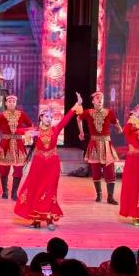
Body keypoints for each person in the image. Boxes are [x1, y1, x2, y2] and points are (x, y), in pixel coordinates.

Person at [14, 95, 83, 230]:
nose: (49, 119)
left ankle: (49, 219)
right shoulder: (36, 130)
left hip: (52, 164)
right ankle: (36, 219)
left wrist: (76, 105)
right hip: (38, 165)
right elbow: (17, 131)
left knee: (50, 191)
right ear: (41, 117)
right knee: (35, 189)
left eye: (51, 117)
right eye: (46, 117)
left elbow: (66, 119)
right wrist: (29, 134)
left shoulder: (55, 129)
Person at [77, 91, 122, 204]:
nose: (100, 99)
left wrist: (119, 128)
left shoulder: (109, 112)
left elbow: (115, 122)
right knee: (95, 170)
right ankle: (99, 194)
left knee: (110, 170)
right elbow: (78, 118)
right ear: (93, 101)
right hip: (94, 144)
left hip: (106, 144)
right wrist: (81, 132)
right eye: (97, 98)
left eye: (101, 98)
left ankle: (110, 197)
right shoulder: (88, 112)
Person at [0, 95, 33, 200]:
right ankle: (5, 191)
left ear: (16, 103)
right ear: (6, 103)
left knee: (18, 169)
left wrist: (27, 139)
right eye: (9, 101)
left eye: (13, 102)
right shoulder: (1, 115)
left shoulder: (22, 114)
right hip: (5, 144)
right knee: (3, 169)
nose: (11, 103)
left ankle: (14, 192)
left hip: (19, 145)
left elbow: (30, 126)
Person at [119, 105, 139, 226]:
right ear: (132, 111)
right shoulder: (129, 126)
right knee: (134, 186)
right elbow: (129, 141)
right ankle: (135, 215)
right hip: (134, 160)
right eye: (137, 109)